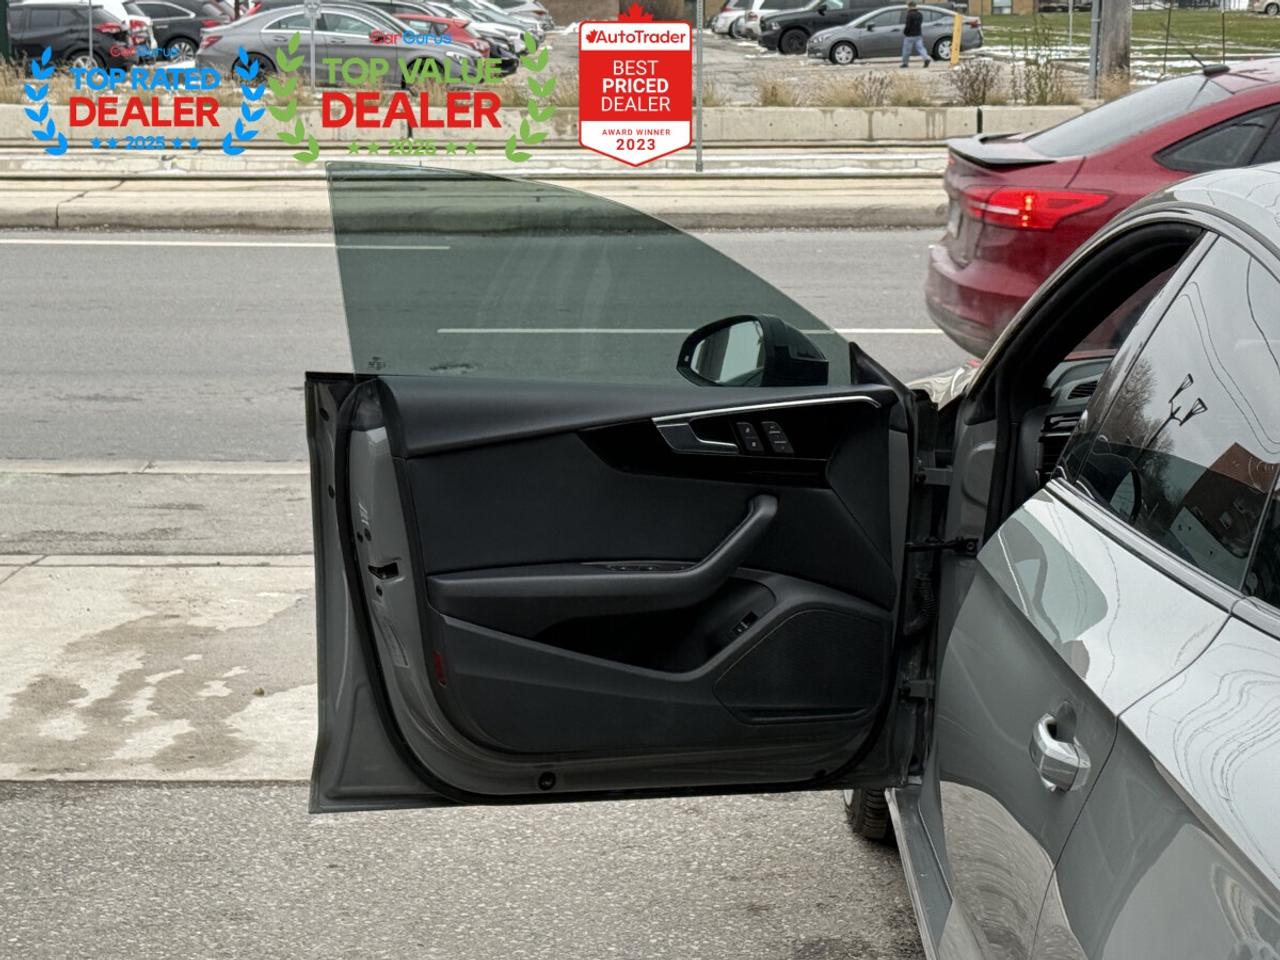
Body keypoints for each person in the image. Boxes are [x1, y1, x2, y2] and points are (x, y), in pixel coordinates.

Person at [901, 1, 930, 69]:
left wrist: (905, 32)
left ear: (910, 6)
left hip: (909, 35)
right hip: (918, 34)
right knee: (921, 48)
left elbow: (908, 25)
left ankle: (905, 63)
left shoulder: (909, 14)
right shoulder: (920, 14)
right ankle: (926, 58)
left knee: (906, 50)